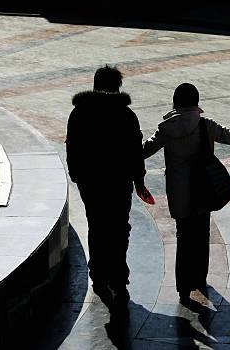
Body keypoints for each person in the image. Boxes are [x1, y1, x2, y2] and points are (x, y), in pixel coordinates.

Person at [143, 83, 230, 303]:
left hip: (179, 193)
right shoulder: (206, 125)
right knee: (201, 235)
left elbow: (145, 150)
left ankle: (183, 287)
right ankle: (198, 279)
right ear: (196, 102)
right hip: (204, 188)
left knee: (183, 237)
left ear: (175, 102)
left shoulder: (166, 129)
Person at [66, 65, 150, 312]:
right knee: (118, 228)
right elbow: (135, 151)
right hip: (118, 181)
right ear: (117, 87)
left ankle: (99, 275)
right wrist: (139, 180)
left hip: (90, 181)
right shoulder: (126, 115)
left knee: (97, 226)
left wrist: (77, 175)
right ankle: (118, 280)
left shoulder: (79, 113)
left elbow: (73, 146)